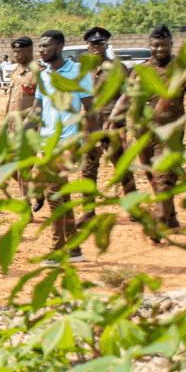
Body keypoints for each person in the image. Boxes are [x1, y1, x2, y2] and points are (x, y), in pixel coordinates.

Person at [108, 24, 186, 241]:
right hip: (143, 132)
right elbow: (126, 98)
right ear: (149, 45)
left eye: (165, 45)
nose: (160, 49)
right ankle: (171, 217)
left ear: (171, 45)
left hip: (171, 131)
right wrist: (114, 120)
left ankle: (158, 224)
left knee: (164, 176)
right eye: (156, 45)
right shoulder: (140, 70)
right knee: (151, 175)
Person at [25, 31, 95, 264]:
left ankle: (58, 250)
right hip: (46, 143)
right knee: (60, 196)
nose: (42, 50)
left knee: (52, 194)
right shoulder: (43, 75)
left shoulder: (77, 72)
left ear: (60, 46)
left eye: (47, 46)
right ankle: (74, 250)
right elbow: (37, 110)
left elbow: (90, 109)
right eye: (40, 46)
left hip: (67, 142)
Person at [80, 27, 136, 224]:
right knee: (88, 169)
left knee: (121, 165)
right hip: (90, 126)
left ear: (106, 46)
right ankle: (88, 212)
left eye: (100, 44)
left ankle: (133, 207)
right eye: (93, 44)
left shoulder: (118, 68)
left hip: (113, 126)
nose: (96, 47)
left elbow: (126, 98)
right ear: (88, 46)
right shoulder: (83, 70)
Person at [4, 37, 42, 210]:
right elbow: (11, 100)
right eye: (15, 52)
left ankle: (25, 207)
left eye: (20, 51)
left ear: (30, 50)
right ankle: (36, 190)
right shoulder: (15, 71)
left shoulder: (39, 72)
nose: (17, 55)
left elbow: (41, 105)